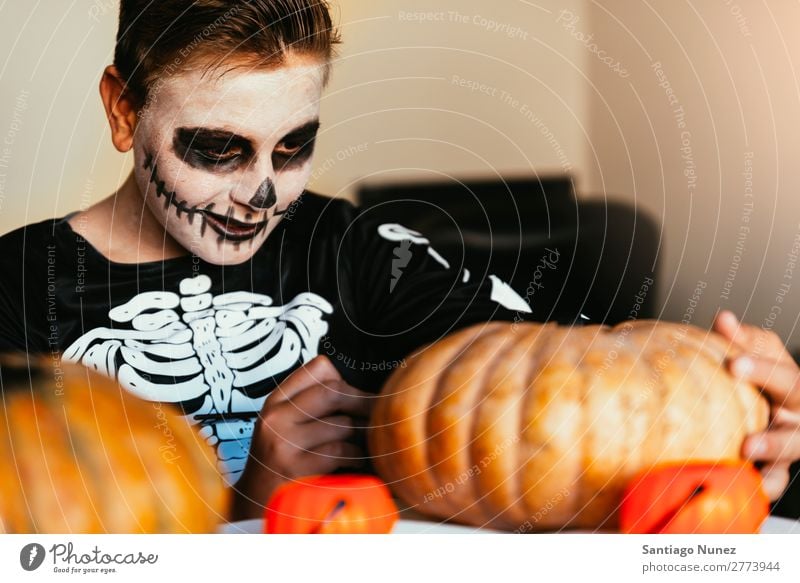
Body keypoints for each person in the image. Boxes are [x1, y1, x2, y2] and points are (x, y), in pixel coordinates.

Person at [0, 0, 798, 523]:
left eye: (295, 145)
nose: (263, 194)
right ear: (122, 108)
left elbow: (585, 396)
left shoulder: (361, 252)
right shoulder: (14, 292)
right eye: (217, 148)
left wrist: (748, 420)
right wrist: (251, 507)